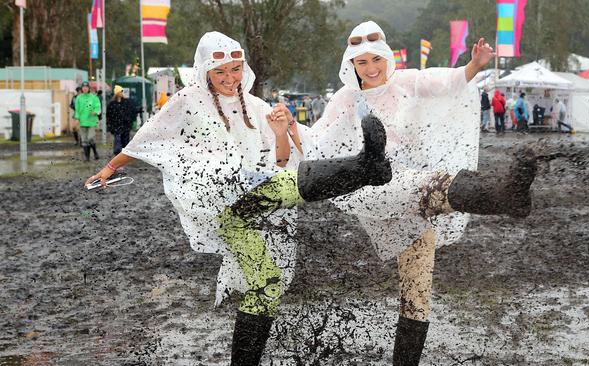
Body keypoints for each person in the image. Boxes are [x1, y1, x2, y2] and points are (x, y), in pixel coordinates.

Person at [84, 32, 393, 365]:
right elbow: (148, 135)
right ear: (205, 72)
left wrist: (280, 133)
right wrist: (109, 167)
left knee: (267, 285)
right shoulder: (188, 100)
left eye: (235, 69)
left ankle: (243, 362)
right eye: (221, 72)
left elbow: (280, 160)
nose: (229, 78)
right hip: (215, 201)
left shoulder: (254, 105)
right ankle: (366, 168)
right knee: (276, 190)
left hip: (248, 201)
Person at [286, 21, 547, 365]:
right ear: (351, 65)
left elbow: (442, 83)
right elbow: (317, 140)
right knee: (431, 183)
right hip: (374, 190)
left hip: (418, 196)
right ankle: (502, 195)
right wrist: (288, 127)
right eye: (361, 62)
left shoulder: (406, 83)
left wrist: (474, 66)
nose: (371, 68)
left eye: (375, 59)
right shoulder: (346, 99)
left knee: (416, 292)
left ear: (385, 57)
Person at [106, 85, 139, 156]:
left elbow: (132, 110)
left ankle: (124, 154)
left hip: (125, 125)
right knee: (117, 140)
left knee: (125, 140)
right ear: (116, 93)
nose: (122, 93)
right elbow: (108, 115)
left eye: (122, 91)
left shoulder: (126, 102)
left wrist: (130, 119)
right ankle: (117, 154)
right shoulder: (112, 104)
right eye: (120, 91)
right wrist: (110, 125)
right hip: (116, 125)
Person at [74, 81, 101, 161]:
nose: (85, 88)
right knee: (84, 140)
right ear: (82, 88)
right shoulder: (79, 98)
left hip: (92, 121)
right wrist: (77, 118)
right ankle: (87, 157)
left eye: (86, 87)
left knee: (90, 138)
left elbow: (98, 106)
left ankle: (95, 152)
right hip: (82, 121)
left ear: (89, 88)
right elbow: (77, 110)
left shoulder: (93, 97)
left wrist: (96, 111)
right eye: (83, 87)